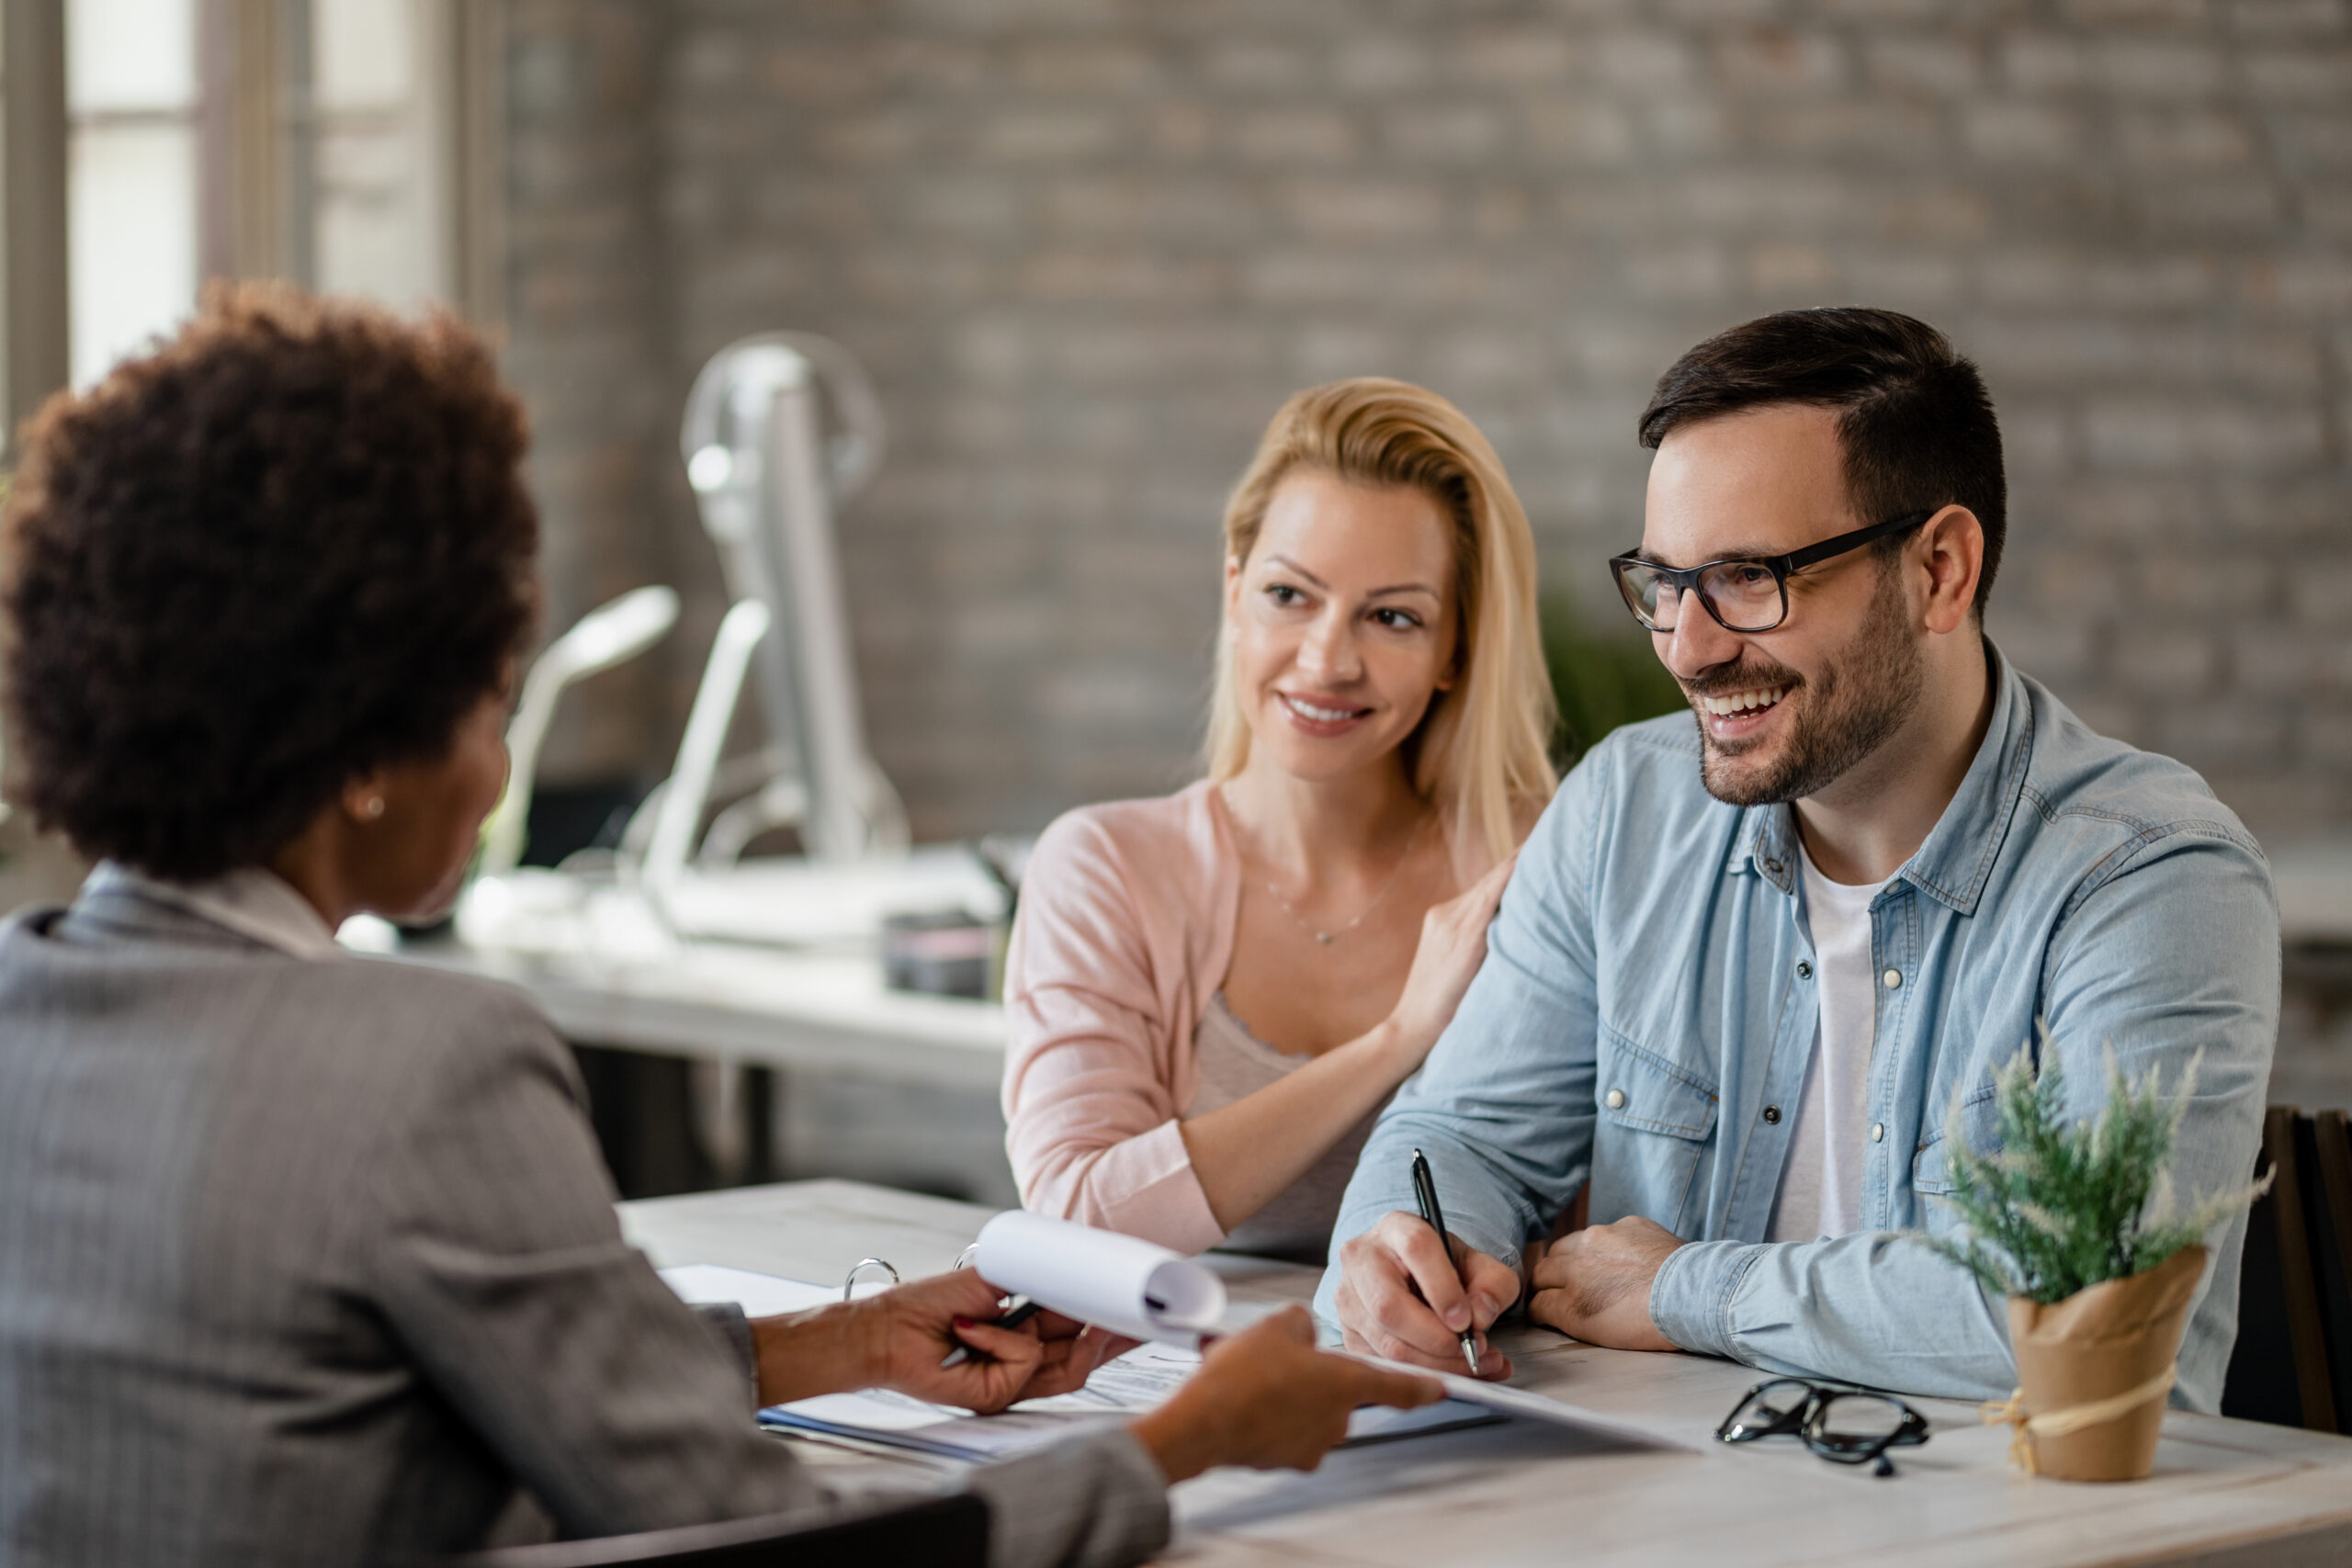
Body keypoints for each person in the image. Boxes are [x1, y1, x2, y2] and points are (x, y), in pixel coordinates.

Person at [0, 284, 1439, 1568]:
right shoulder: (423, 1062)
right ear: (367, 746)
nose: (502, 762)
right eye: (496, 694)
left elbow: (411, 1370)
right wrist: (1180, 1442)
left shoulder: (24, 997)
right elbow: (746, 1532)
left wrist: (835, 1340)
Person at [1318, 308, 2278, 1406]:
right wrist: (1404, 1257)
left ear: (1940, 571)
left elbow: (2096, 1315)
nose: (1688, 648)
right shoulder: (1624, 811)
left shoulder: (2151, 878)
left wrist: (1687, 1290)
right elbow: (1465, 1134)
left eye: (1747, 579)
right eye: (1665, 585)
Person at [1002, 378, 1557, 1263]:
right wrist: (1397, 1041)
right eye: (1290, 595)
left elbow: (1598, 1201)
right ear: (1234, 590)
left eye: (1392, 616)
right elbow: (1074, 1215)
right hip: (1190, 1382)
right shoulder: (1106, 867)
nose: (1327, 659)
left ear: (1456, 647)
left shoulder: (1537, 863)